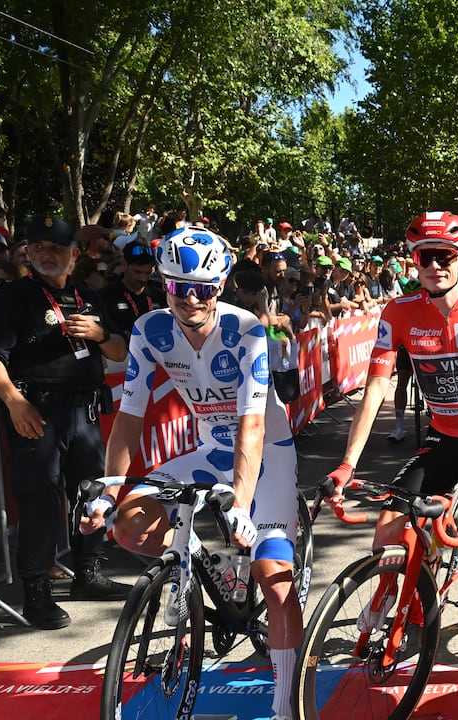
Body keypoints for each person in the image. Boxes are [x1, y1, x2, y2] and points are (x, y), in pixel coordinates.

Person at [78, 225, 302, 720]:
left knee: (273, 578)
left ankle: (288, 706)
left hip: (267, 449)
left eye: (204, 288)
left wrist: (240, 504)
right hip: (208, 448)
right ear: (165, 283)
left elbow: (252, 425)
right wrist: (110, 492)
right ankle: (215, 569)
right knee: (127, 525)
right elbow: (130, 418)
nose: (192, 299)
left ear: (220, 286)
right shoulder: (149, 329)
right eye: (181, 287)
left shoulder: (245, 329)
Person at [324, 211, 458, 693]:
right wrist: (348, 462)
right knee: (388, 523)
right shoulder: (397, 313)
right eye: (426, 257)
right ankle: (387, 588)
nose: (436, 265)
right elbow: (376, 387)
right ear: (414, 260)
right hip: (443, 438)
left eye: (445, 256)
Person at [0, 216, 130, 630]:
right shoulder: (14, 298)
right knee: (40, 498)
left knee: (90, 493)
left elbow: (117, 350)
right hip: (37, 413)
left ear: (73, 256)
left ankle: (88, 572)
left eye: (55, 249)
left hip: (85, 412)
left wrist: (98, 334)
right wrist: (14, 402)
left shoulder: (86, 296)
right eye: (38, 247)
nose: (45, 255)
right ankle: (36, 591)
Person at [99, 242, 165, 340]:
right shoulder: (105, 296)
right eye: (137, 271)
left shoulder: (160, 297)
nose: (143, 278)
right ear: (125, 265)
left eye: (147, 273)